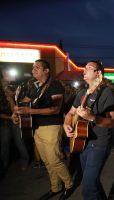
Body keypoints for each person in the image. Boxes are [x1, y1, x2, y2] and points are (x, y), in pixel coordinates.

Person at [12, 59, 73, 200]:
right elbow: (23, 104)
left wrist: (30, 111)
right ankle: (55, 187)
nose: (33, 70)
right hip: (37, 128)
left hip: (51, 127)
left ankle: (69, 185)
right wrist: (15, 112)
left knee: (54, 160)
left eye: (37, 67)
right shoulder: (35, 87)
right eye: (33, 67)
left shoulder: (55, 85)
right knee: (46, 161)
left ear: (46, 71)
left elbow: (56, 109)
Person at [63, 60, 114, 200]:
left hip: (99, 143)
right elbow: (70, 113)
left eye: (89, 68)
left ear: (98, 73)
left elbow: (112, 122)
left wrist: (93, 117)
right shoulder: (82, 92)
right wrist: (66, 124)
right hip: (82, 141)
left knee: (87, 187)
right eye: (84, 67)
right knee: (92, 182)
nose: (84, 70)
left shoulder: (106, 93)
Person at [0, 82, 29, 175]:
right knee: (4, 144)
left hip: (13, 121)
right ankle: (4, 165)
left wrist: (14, 116)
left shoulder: (9, 96)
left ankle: (25, 160)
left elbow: (14, 110)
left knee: (19, 141)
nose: (6, 90)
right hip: (4, 122)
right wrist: (10, 118)